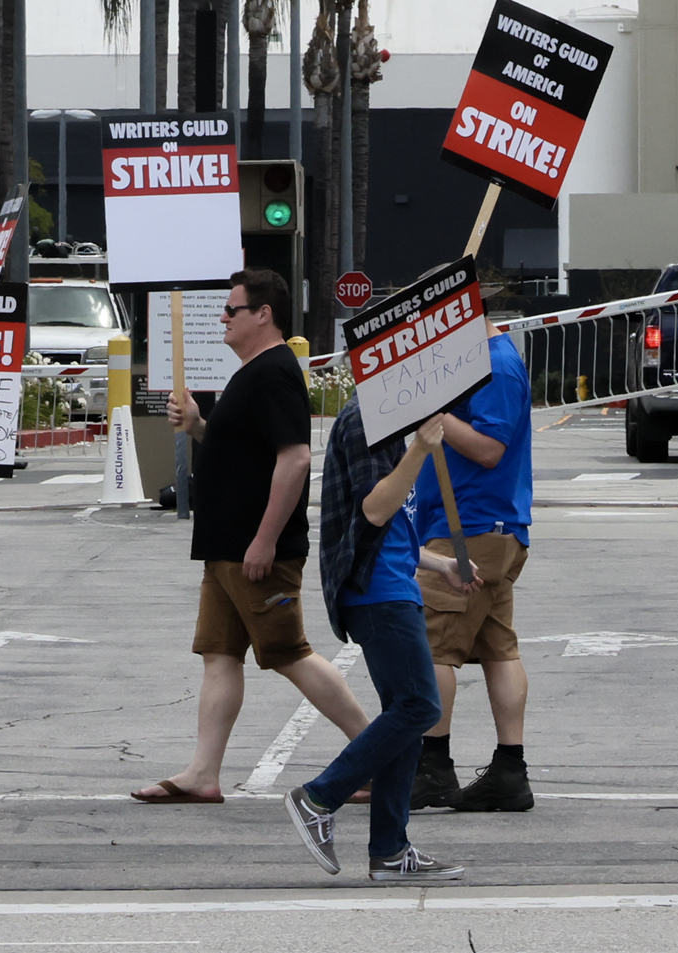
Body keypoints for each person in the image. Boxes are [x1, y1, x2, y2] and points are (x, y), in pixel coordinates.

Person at [132, 267, 368, 806]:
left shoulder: (274, 372)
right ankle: (203, 773)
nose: (223, 318)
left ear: (263, 314)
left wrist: (264, 540)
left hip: (255, 551)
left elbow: (296, 457)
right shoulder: (252, 373)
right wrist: (197, 426)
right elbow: (245, 455)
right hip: (225, 548)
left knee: (289, 653)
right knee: (219, 653)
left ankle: (378, 754)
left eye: (232, 309)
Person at [279, 398, 464, 884]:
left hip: (392, 585)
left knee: (403, 716)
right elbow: (375, 506)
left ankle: (389, 849)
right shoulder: (368, 417)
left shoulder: (388, 421)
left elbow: (384, 529)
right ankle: (319, 796)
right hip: (378, 594)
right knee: (420, 707)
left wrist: (438, 563)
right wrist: (421, 450)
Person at [408, 317, 539, 812]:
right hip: (478, 526)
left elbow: (489, 449)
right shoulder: (469, 362)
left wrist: (436, 413)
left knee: (432, 647)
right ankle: (509, 770)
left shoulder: (496, 365)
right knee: (497, 647)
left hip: (471, 529)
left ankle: (432, 767)